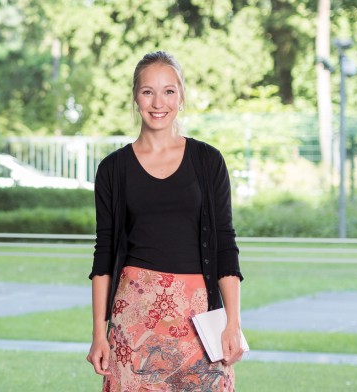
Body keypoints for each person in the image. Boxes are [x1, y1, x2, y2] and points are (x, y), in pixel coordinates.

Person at [86, 51, 244, 391]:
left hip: (200, 319)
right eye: (148, 91)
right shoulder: (113, 169)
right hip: (135, 320)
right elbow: (104, 256)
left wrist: (233, 322)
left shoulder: (208, 160)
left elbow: (225, 243)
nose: (159, 102)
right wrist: (100, 332)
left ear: (182, 96)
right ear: (135, 97)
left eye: (169, 91)